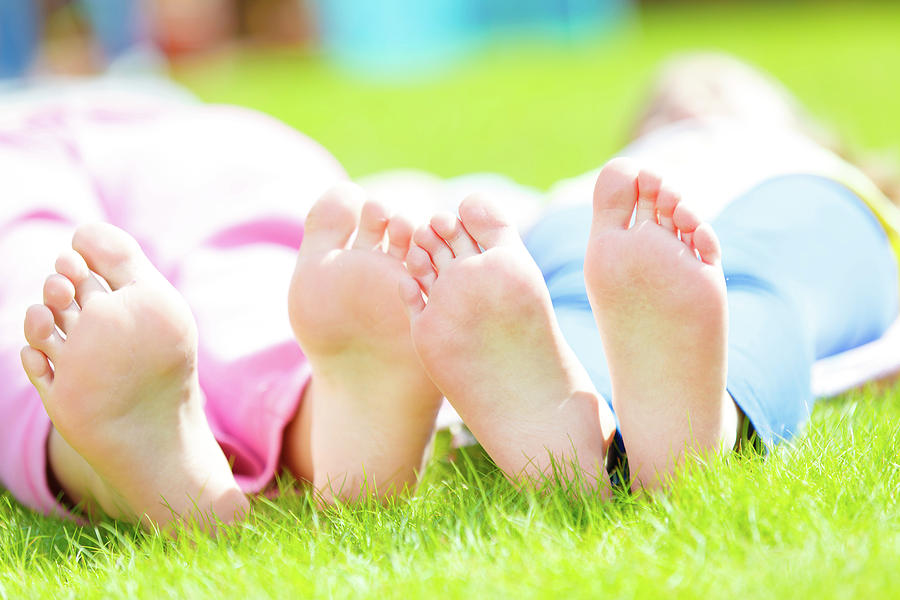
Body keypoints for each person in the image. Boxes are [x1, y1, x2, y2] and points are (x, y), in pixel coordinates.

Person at [2, 53, 897, 531]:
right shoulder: (581, 200)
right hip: (586, 233)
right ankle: (600, 427)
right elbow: (479, 277)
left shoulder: (825, 177)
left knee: (737, 287)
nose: (687, 98)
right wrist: (424, 276)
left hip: (756, 204)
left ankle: (190, 453)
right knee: (691, 296)